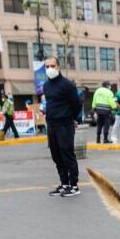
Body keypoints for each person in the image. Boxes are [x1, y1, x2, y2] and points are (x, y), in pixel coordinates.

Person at [42, 57, 82, 197]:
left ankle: (74, 185)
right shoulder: (46, 86)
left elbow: (76, 104)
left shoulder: (67, 85)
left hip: (64, 124)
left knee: (67, 153)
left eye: (52, 65)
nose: (50, 69)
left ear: (58, 67)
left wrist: (75, 118)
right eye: (47, 66)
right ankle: (64, 183)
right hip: (51, 124)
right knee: (56, 155)